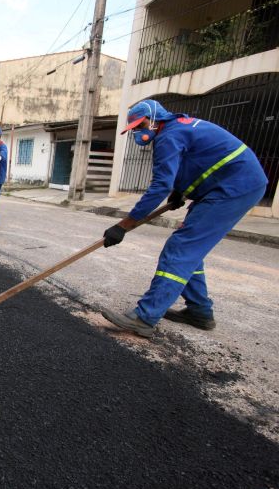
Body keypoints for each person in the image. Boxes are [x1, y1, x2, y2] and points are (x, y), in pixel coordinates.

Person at [101, 99, 268, 337]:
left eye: (141, 126)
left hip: (235, 187)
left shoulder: (168, 136)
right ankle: (199, 311)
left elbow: (159, 186)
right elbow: (190, 163)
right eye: (135, 129)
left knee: (180, 248)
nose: (138, 132)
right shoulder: (177, 127)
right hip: (226, 185)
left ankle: (144, 317)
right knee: (190, 249)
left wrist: (123, 226)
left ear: (155, 119)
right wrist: (179, 193)